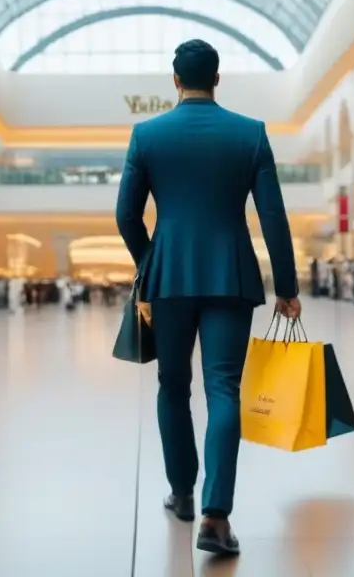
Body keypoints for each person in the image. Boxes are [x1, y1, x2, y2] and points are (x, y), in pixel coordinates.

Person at [115, 39, 300, 558]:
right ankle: (217, 518)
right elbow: (272, 217)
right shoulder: (250, 134)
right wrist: (286, 287)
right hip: (231, 275)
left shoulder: (146, 134)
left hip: (168, 276)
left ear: (174, 82)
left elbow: (126, 215)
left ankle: (182, 492)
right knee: (225, 388)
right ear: (218, 80)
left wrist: (149, 260)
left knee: (172, 384)